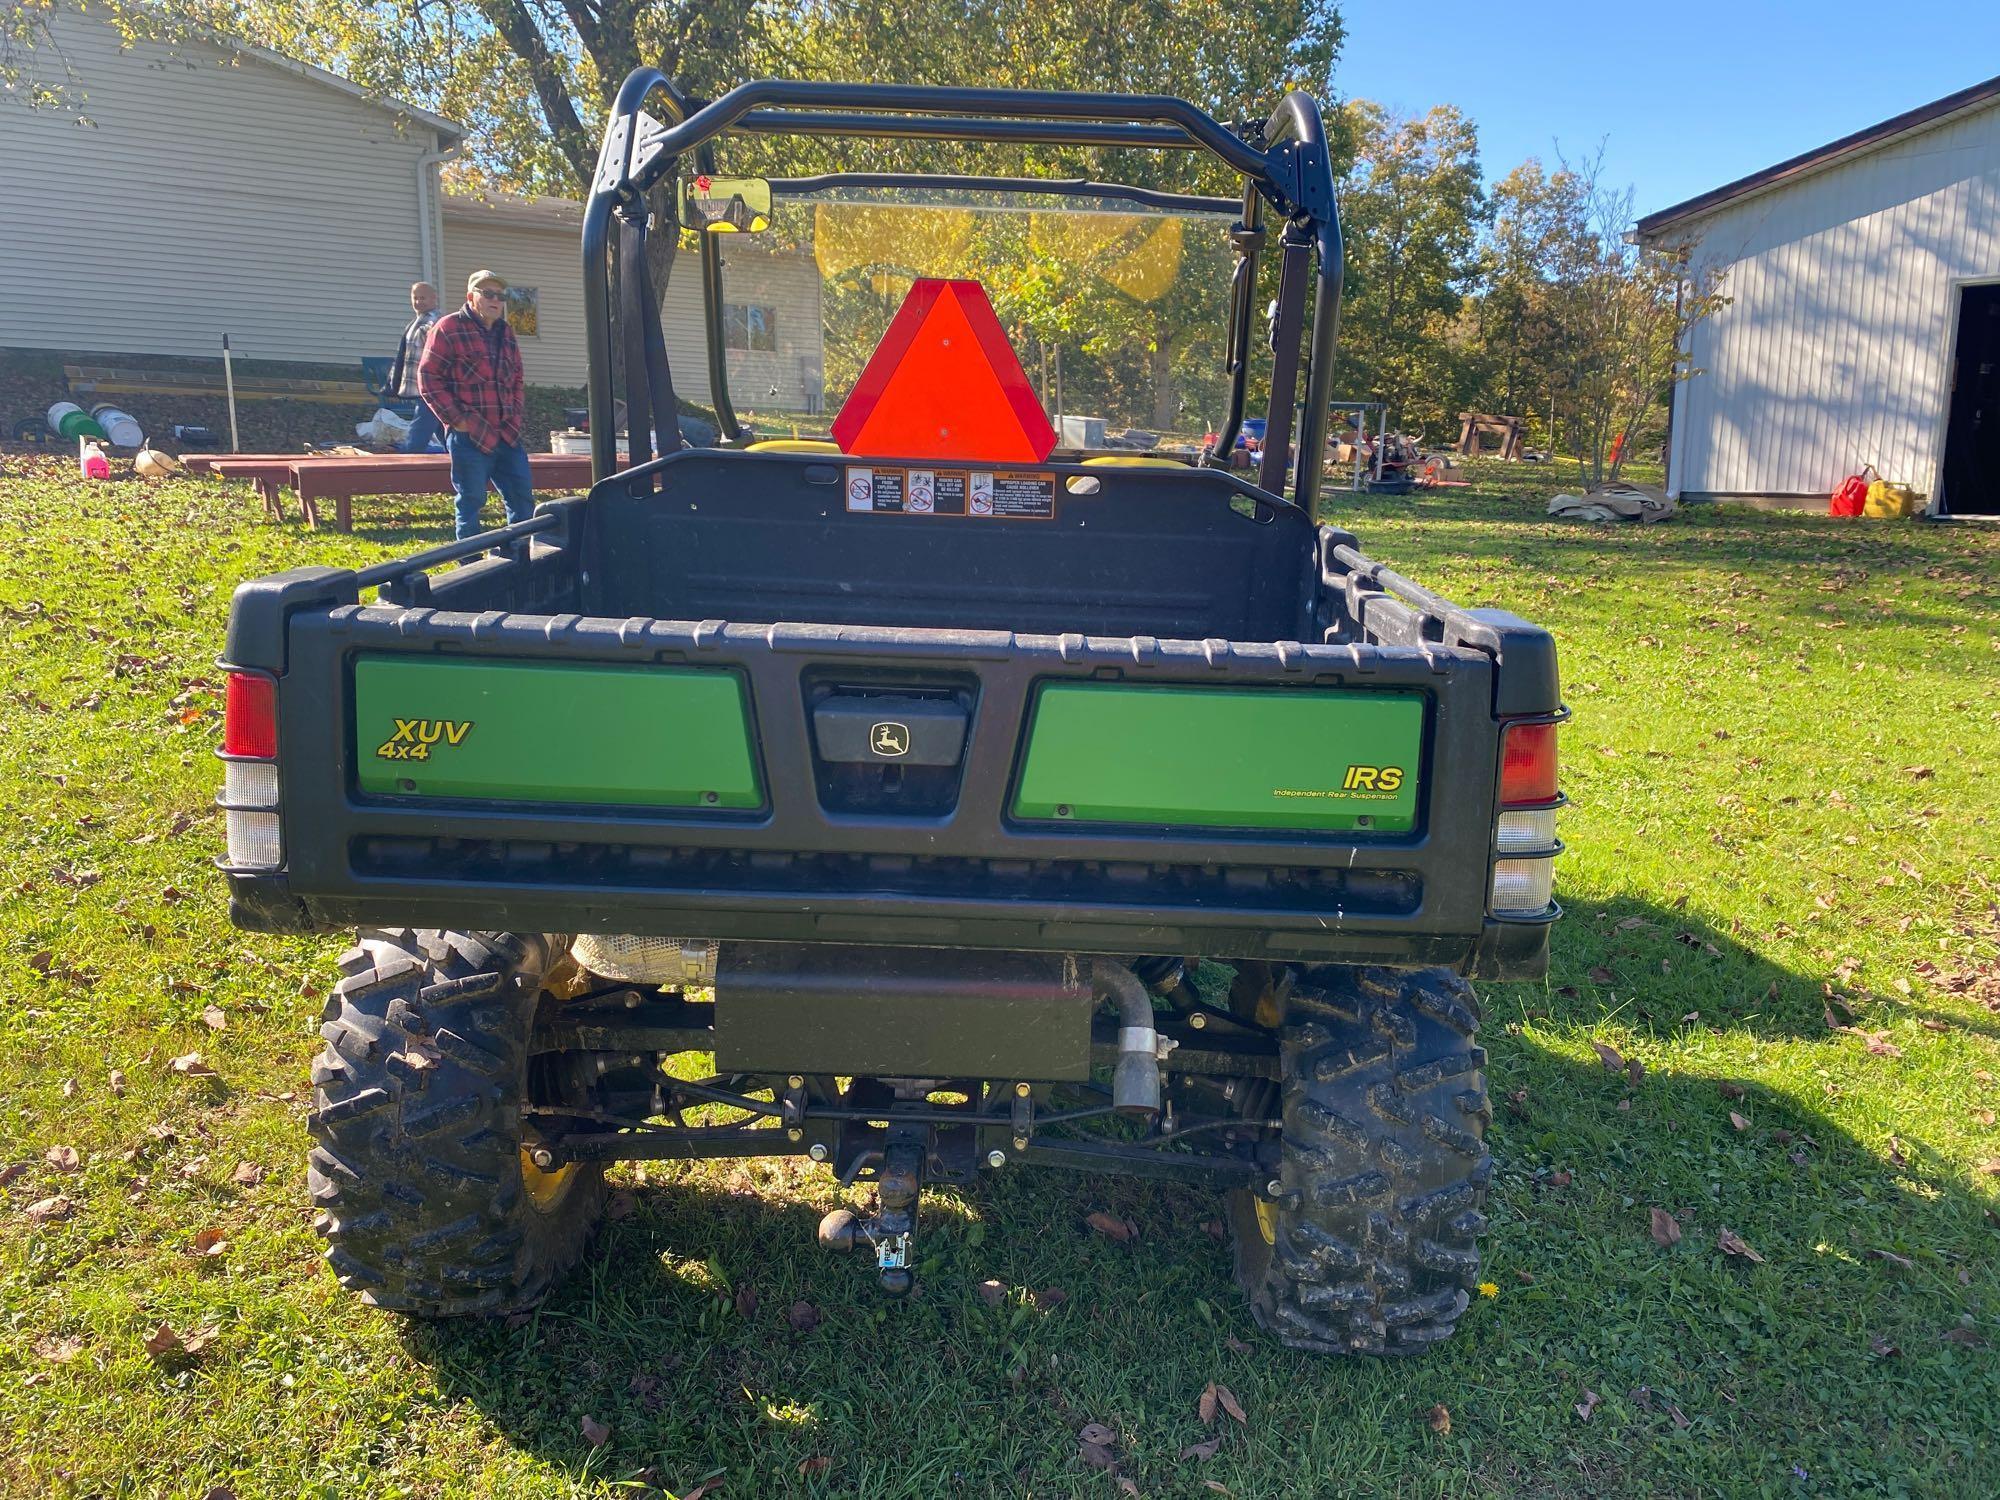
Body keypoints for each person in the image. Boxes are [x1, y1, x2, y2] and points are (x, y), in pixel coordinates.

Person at [419, 269, 534, 539]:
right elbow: (428, 378)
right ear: (471, 297)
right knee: (471, 502)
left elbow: (517, 379)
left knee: (522, 500)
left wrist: (515, 418)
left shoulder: (506, 333)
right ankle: (468, 566)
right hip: (469, 435)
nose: (496, 300)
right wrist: (458, 420)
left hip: (507, 434)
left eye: (501, 295)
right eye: (488, 293)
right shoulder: (448, 328)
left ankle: (520, 561)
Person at [387, 282, 443, 453]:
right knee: (441, 424)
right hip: (420, 383)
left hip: (432, 383)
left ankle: (410, 454)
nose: (419, 302)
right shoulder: (416, 321)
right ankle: (454, 451)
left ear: (434, 299)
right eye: (415, 298)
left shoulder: (434, 320)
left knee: (423, 421)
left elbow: (435, 336)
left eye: (423, 298)